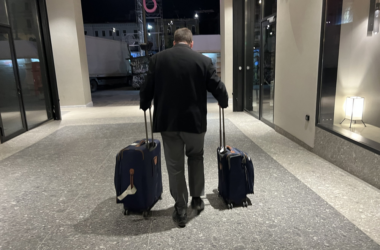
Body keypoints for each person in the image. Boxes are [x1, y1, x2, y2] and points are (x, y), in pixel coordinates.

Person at [140, 28, 229, 228]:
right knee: (196, 157)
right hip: (195, 124)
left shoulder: (158, 60)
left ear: (174, 42)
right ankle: (196, 198)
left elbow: (146, 87)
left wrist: (144, 104)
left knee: (175, 166)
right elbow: (217, 86)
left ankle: (180, 208)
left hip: (168, 123)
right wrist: (224, 101)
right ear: (191, 43)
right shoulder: (203, 61)